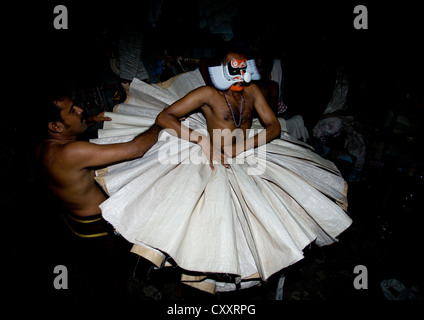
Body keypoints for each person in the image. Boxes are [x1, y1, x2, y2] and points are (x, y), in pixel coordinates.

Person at [35, 95, 161, 298]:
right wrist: (161, 123)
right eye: (72, 111)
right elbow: (136, 149)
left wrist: (92, 120)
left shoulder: (42, 145)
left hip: (73, 219)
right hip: (98, 226)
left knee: (106, 265)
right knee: (119, 267)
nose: (80, 110)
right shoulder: (71, 152)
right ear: (56, 126)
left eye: (76, 105)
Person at [156, 50, 281, 170]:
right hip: (216, 157)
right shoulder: (208, 94)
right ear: (221, 69)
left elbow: (274, 126)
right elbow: (163, 117)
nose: (242, 75)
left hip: (245, 153)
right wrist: (202, 141)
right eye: (235, 69)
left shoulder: (252, 91)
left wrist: (240, 147)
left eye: (243, 69)